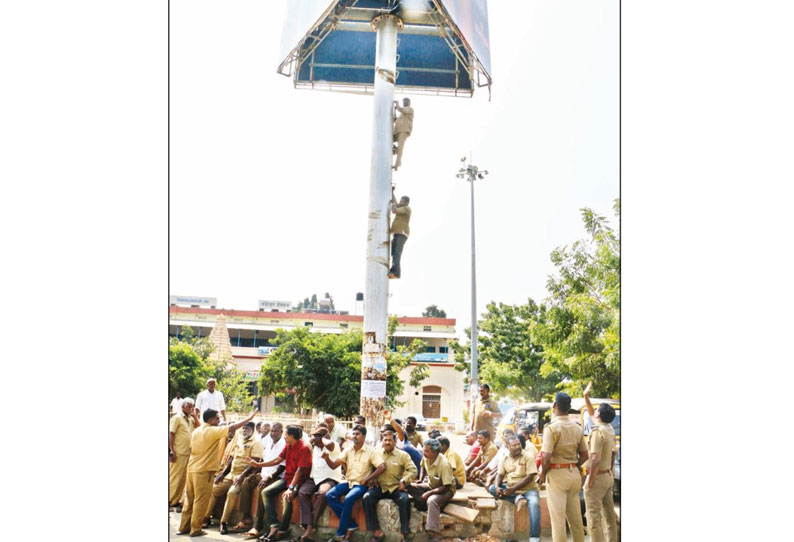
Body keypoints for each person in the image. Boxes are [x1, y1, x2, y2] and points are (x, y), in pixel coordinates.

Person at [177, 408, 258, 537]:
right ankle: (196, 529)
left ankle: (183, 527)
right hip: (204, 471)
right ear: (210, 420)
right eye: (217, 418)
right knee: (201, 501)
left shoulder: (197, 430)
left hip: (192, 469)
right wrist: (248, 419)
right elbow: (231, 428)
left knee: (189, 500)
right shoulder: (212, 431)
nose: (219, 420)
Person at [244, 425, 313, 542]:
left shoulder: (304, 447)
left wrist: (291, 488)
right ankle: (274, 525)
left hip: (299, 480)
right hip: (287, 478)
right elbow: (277, 460)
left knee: (287, 498)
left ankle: (282, 530)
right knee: (265, 492)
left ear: (291, 436)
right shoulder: (288, 445)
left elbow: (300, 471)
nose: (284, 437)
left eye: (285, 434)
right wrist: (259, 465)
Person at [538, 392, 589, 542]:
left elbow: (546, 458)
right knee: (575, 518)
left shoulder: (551, 428)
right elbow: (585, 456)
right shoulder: (577, 428)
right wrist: (573, 465)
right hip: (573, 474)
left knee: (558, 519)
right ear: (569, 407)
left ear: (554, 406)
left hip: (557, 474)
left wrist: (542, 475)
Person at [322, 425, 386, 541]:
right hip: (348, 482)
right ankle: (351, 524)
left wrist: (367, 479)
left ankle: (340, 533)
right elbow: (334, 465)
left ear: (364, 436)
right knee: (329, 495)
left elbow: (382, 467)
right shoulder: (348, 449)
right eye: (354, 434)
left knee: (349, 498)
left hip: (361, 484)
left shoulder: (371, 451)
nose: (354, 436)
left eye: (358, 434)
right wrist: (327, 458)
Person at [207, 422, 264, 534]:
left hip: (243, 476)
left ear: (252, 430)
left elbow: (255, 462)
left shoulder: (256, 442)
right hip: (231, 474)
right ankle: (205, 517)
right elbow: (231, 459)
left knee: (232, 493)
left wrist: (242, 476)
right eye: (243, 428)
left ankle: (223, 522)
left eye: (246, 429)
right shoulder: (239, 439)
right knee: (214, 488)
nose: (244, 431)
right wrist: (223, 473)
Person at [362, 431, 417, 542]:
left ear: (395, 441)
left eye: (390, 440)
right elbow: (369, 468)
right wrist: (372, 479)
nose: (387, 442)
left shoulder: (403, 455)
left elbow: (413, 470)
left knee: (404, 500)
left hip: (396, 487)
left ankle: (404, 534)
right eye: (385, 440)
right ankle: (377, 531)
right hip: (380, 487)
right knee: (367, 497)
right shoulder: (376, 454)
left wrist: (404, 480)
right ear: (382, 441)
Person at [582, 384, 618, 542]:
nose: (594, 411)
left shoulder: (597, 432)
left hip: (597, 478)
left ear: (599, 415)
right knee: (609, 516)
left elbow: (595, 459)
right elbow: (612, 455)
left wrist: (590, 480)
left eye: (597, 410)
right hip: (607, 476)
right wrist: (586, 397)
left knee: (593, 518)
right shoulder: (609, 428)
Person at [489, 435, 541, 542]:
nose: (517, 447)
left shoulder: (528, 457)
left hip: (528, 489)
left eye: (519, 444)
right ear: (507, 447)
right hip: (511, 488)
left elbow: (530, 477)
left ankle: (534, 537)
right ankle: (517, 498)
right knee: (492, 489)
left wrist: (513, 489)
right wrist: (498, 486)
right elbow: (500, 475)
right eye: (514, 445)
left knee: (534, 504)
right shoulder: (504, 458)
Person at [297, 426, 343, 542]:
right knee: (302, 492)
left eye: (317, 436)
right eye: (313, 435)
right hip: (314, 478)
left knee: (322, 494)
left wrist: (323, 438)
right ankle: (306, 523)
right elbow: (306, 443)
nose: (314, 438)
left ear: (324, 437)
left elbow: (330, 445)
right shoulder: (315, 447)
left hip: (329, 478)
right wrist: (314, 439)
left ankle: (311, 525)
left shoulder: (333, 445)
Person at [241, 423, 285, 537]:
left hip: (275, 476)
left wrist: (269, 477)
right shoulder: (267, 441)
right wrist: (255, 473)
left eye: (276, 431)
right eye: (272, 431)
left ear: (281, 431)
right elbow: (262, 460)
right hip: (263, 473)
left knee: (261, 489)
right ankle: (246, 517)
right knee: (246, 483)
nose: (273, 433)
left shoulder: (284, 444)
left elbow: (282, 466)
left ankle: (257, 526)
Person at [406, 439, 455, 542]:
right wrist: (420, 479)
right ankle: (424, 504)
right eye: (424, 450)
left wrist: (428, 493)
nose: (424, 453)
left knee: (432, 500)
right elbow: (422, 467)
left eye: (427, 451)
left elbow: (446, 486)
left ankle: (435, 534)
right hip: (431, 485)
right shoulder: (426, 456)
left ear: (435, 452)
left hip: (446, 490)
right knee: (408, 486)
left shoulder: (444, 464)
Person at [169, 397, 199, 509]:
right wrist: (171, 451)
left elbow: (200, 427)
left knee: (183, 479)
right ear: (183, 406)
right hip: (178, 452)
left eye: (192, 406)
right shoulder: (177, 418)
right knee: (174, 477)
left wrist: (195, 416)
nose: (191, 408)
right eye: (189, 406)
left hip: (188, 452)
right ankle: (169, 500)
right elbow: (170, 434)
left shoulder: (190, 418)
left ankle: (175, 500)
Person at [388, 190, 411, 280]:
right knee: (394, 253)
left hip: (402, 234)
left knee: (397, 253)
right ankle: (394, 272)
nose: (400, 202)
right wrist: (392, 192)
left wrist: (393, 205)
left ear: (406, 203)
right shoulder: (402, 207)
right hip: (397, 234)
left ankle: (396, 272)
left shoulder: (406, 209)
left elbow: (394, 210)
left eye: (402, 201)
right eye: (400, 201)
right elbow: (395, 202)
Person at [392, 97, 413, 170]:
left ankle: (397, 164)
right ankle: (395, 150)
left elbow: (401, 109)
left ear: (409, 102)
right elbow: (397, 119)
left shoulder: (409, 109)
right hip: (397, 131)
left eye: (406, 101)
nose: (405, 103)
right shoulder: (402, 114)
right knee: (388, 139)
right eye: (404, 101)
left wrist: (397, 104)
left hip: (404, 131)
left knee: (400, 146)